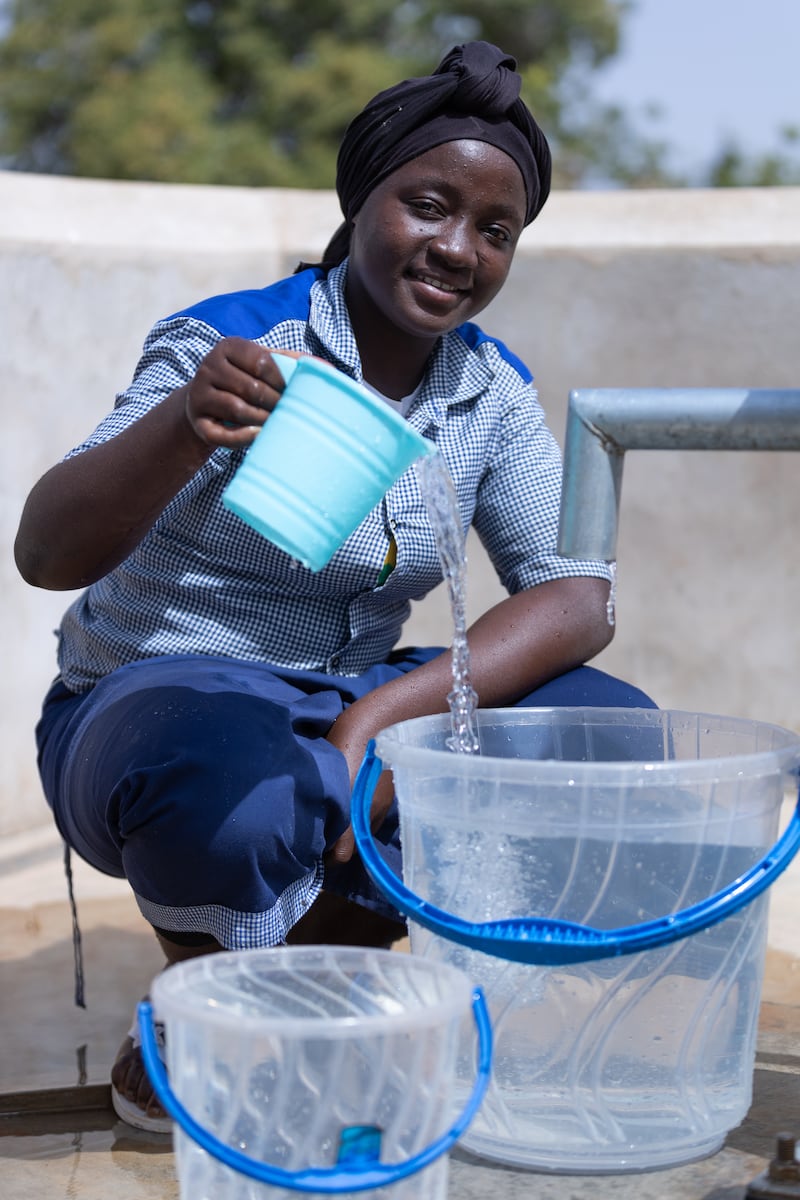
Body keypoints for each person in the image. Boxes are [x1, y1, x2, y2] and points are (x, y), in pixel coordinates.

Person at [14, 41, 655, 1132]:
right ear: (363, 201)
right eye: (428, 206)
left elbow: (572, 597)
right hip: (158, 707)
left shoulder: (487, 393)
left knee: (609, 737)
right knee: (239, 785)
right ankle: (228, 1013)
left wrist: (380, 714)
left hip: (345, 699)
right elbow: (46, 551)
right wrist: (184, 425)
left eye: (493, 232)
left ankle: (270, 1008)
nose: (455, 248)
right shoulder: (234, 345)